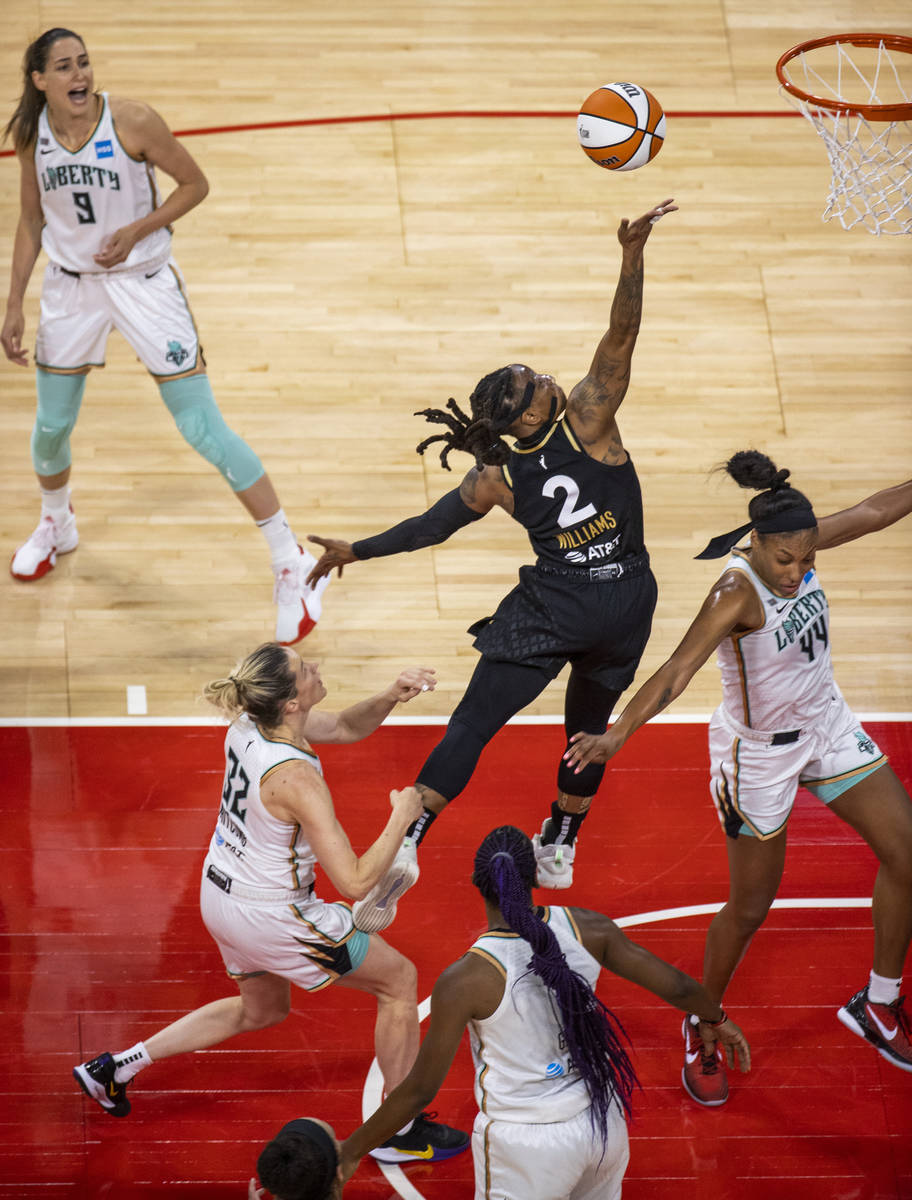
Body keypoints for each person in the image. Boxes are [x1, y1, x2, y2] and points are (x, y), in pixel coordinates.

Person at [306, 198, 678, 932]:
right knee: (589, 724)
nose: (548, 378)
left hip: (554, 607)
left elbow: (430, 529)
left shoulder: (494, 475)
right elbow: (623, 332)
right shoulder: (591, 421)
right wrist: (632, 255)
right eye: (537, 382)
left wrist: (357, 549)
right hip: (627, 602)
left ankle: (409, 836)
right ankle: (563, 841)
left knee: (473, 723)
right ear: (534, 415)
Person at [564, 451, 912, 1103]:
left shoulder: (798, 539)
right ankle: (702, 1019)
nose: (798, 571)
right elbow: (674, 672)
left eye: (807, 560)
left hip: (826, 724)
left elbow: (874, 511)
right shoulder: (735, 591)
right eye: (786, 560)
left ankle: (880, 1001)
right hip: (759, 757)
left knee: (908, 854)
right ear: (758, 544)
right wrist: (616, 734)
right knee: (750, 907)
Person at [72, 642, 468, 1164]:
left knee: (260, 1011)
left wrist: (391, 696)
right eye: (306, 670)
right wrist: (403, 816)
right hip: (274, 914)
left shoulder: (250, 725)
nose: (317, 668)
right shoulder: (297, 779)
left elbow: (346, 726)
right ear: (290, 704)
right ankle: (399, 1130)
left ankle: (116, 1068)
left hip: (221, 894)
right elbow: (353, 880)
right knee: (398, 983)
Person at [1, 29, 326, 644]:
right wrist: (13, 303)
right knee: (49, 429)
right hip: (71, 289)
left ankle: (293, 562)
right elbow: (30, 218)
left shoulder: (132, 120)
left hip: (143, 282)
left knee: (202, 427)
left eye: (85, 62)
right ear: (39, 79)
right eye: (64, 67)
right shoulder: (30, 134)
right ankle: (55, 523)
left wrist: (136, 230)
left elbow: (195, 184)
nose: (80, 75)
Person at [248, 825, 750, 1200]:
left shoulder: (466, 979)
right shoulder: (588, 928)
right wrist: (717, 1019)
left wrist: (352, 1151)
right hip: (603, 1125)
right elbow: (681, 987)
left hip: (526, 1147)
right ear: (534, 878)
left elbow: (420, 1089)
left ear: (476, 884)